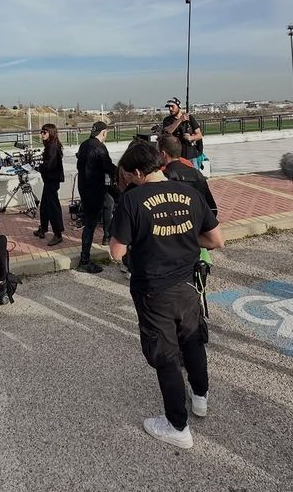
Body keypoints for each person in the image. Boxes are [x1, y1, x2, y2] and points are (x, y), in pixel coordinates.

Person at [109, 140, 224, 449]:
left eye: (129, 174)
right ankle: (200, 396)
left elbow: (117, 252)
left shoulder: (131, 200)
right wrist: (185, 239)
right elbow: (216, 240)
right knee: (192, 340)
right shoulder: (190, 192)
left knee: (166, 355)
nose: (128, 179)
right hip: (189, 284)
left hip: (153, 289)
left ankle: (177, 426)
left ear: (137, 172)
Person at [76, 121, 116, 272]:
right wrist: (122, 173)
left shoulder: (84, 144)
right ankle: (84, 261)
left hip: (84, 187)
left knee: (108, 203)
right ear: (104, 132)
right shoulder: (100, 147)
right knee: (90, 225)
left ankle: (107, 236)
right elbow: (108, 167)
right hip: (94, 189)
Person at [157, 134, 217, 216]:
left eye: (157, 152)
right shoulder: (196, 173)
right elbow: (212, 209)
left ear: (163, 154)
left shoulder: (163, 177)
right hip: (197, 220)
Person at [33, 123, 65, 246]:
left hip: (52, 180)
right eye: (41, 132)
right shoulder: (50, 145)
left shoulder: (52, 146)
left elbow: (49, 165)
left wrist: (38, 167)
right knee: (45, 206)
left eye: (44, 132)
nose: (42, 134)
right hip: (50, 180)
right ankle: (43, 229)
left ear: (51, 133)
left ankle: (58, 234)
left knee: (53, 207)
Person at [162, 97, 203, 167]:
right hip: (176, 157)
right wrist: (180, 120)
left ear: (179, 107)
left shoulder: (189, 118)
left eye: (172, 106)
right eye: (169, 107)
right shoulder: (167, 120)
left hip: (191, 155)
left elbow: (199, 135)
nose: (170, 109)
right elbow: (168, 131)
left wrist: (191, 138)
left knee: (193, 172)